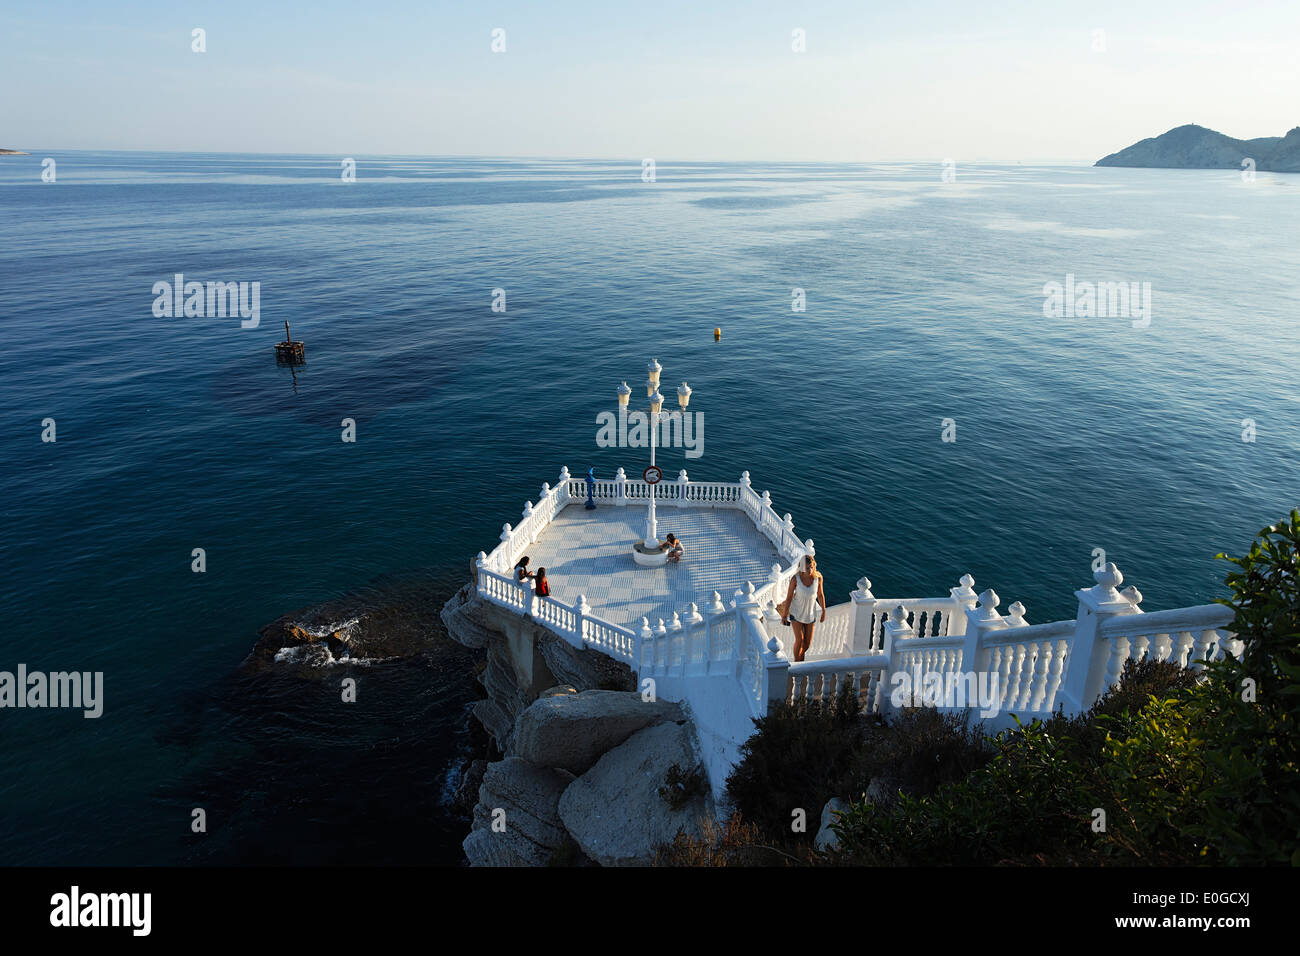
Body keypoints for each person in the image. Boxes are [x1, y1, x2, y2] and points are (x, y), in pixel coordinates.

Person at [780, 554, 826, 663]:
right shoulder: (795, 579)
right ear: (802, 567)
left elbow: (820, 595)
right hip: (796, 613)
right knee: (799, 640)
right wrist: (785, 614)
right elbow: (789, 597)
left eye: (811, 567)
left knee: (807, 644)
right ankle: (797, 664)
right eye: (807, 568)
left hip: (810, 615)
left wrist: (824, 611)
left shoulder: (818, 578)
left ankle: (801, 661)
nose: (810, 570)